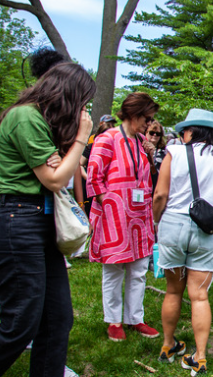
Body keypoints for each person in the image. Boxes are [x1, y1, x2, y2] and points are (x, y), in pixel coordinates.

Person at [0, 62, 94, 377]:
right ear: (67, 94)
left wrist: (62, 161)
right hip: (18, 217)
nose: (83, 111)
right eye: (82, 101)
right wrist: (82, 137)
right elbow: (56, 179)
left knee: (57, 318)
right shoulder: (24, 116)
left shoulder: (39, 121)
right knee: (21, 319)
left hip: (40, 218)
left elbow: (60, 170)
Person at [152, 108, 213, 376]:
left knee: (173, 290)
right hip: (207, 229)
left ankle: (168, 346)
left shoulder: (174, 152)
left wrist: (157, 223)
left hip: (173, 226)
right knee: (199, 295)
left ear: (190, 131)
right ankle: (199, 357)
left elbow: (160, 195)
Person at [87, 92, 160, 342]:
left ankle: (135, 318)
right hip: (115, 216)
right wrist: (107, 208)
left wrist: (150, 156)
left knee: (139, 270)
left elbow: (144, 176)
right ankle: (114, 321)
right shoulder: (107, 138)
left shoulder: (141, 141)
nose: (149, 124)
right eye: (147, 118)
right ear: (133, 113)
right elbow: (94, 179)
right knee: (114, 270)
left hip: (139, 216)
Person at [144, 120, 167, 191]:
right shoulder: (138, 149)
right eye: (152, 133)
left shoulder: (165, 152)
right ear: (145, 133)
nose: (155, 135)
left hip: (158, 187)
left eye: (158, 134)